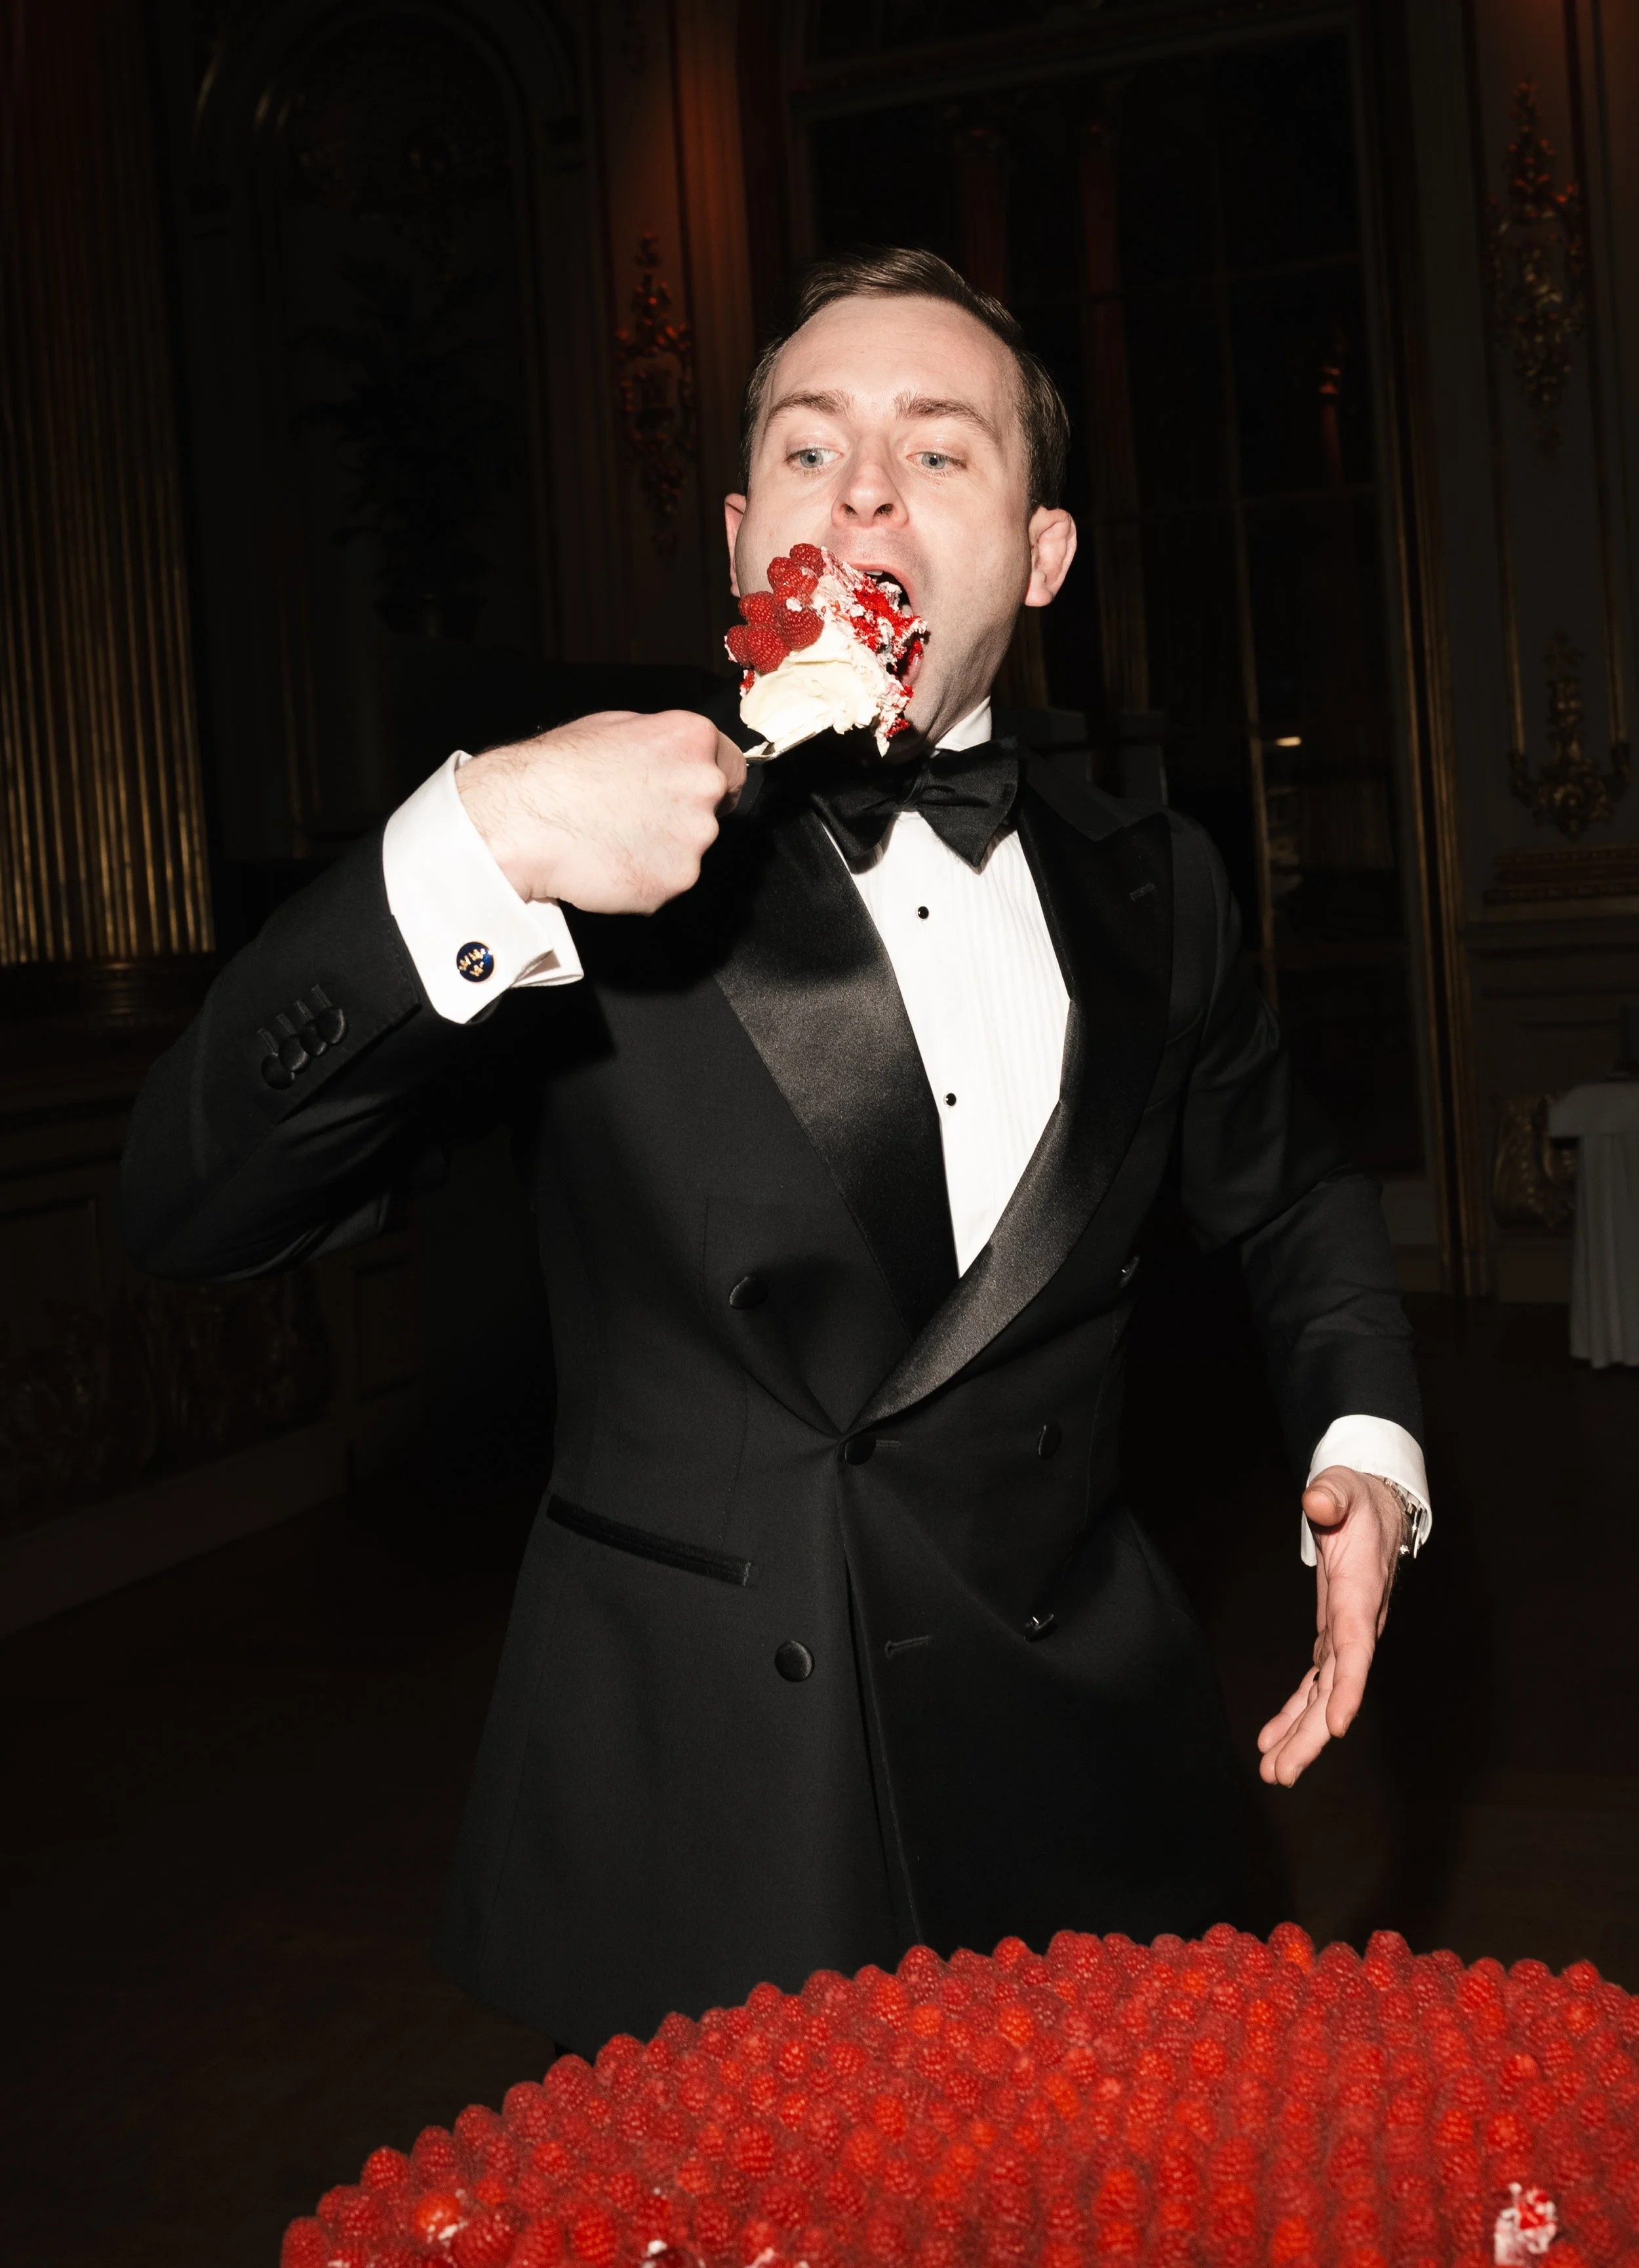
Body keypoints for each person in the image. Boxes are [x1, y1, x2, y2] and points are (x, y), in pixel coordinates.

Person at [120, 248, 1429, 2054]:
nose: (868, 486)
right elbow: (190, 1204)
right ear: (745, 536)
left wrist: (1364, 1440)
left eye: (940, 451)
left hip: (1085, 1781)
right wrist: (475, 844)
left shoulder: (1163, 886)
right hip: (710, 1819)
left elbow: (1287, 1196)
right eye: (812, 452)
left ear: (1042, 555)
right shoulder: (582, 848)